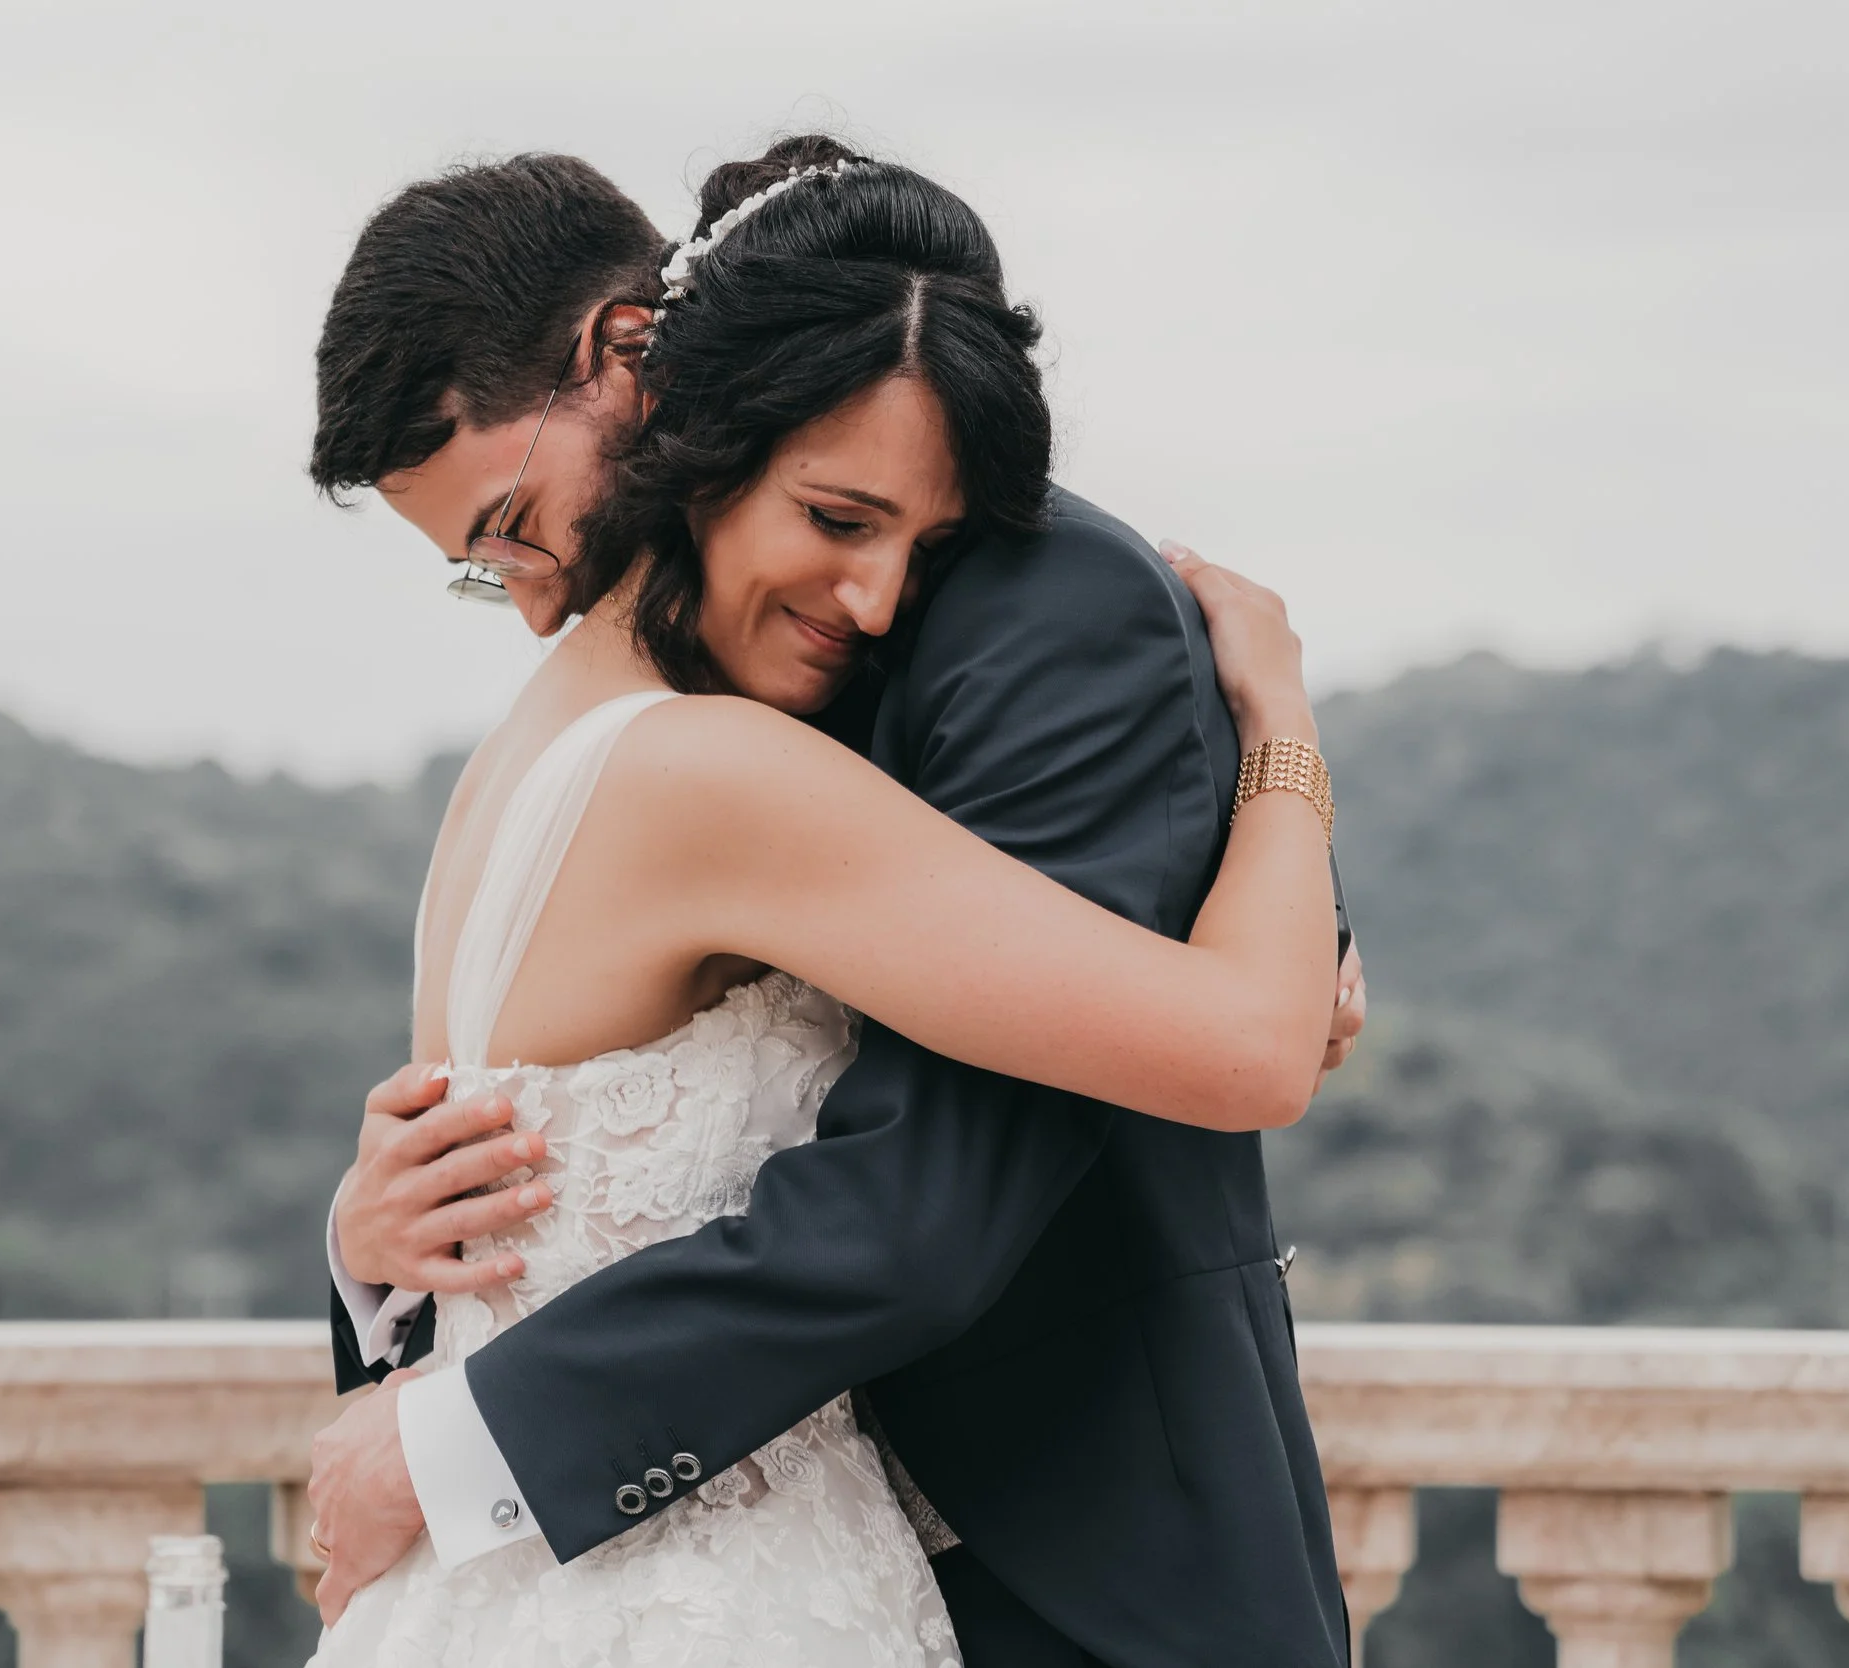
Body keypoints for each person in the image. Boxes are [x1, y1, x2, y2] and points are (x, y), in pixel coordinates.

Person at [308, 139, 1363, 1667]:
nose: (530, 597)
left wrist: (1285, 822)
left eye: (513, 525)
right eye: (489, 566)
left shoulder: (1016, 610)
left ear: (626, 358)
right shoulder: (676, 731)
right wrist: (372, 1243)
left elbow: (949, 1177)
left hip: (1079, 1559)